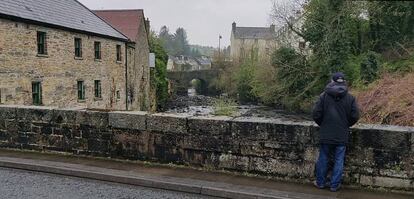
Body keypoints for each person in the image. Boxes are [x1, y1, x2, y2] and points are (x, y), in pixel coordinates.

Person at [312, 72, 360, 192]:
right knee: (339, 160)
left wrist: (323, 124)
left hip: (326, 133)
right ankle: (334, 185)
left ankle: (320, 183)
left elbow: (316, 114)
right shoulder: (350, 98)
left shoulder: (323, 96)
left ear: (332, 81)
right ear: (344, 82)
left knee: (323, 157)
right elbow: (355, 116)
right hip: (341, 134)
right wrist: (345, 124)